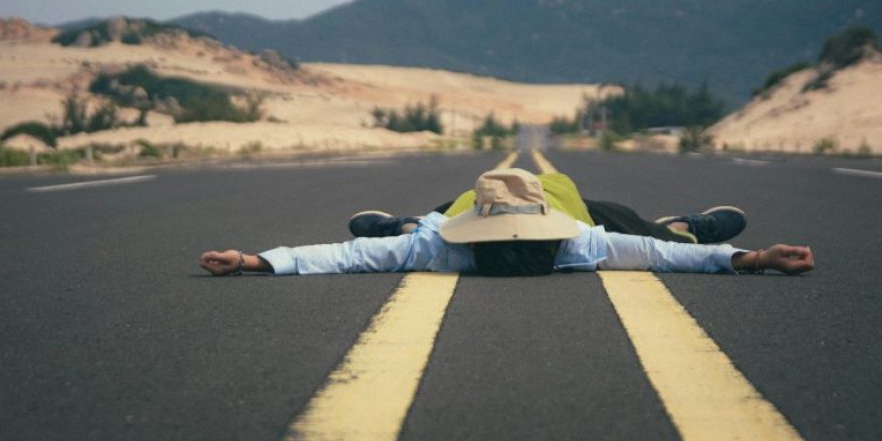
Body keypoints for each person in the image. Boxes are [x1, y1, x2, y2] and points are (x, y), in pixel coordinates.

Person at [199, 168, 815, 278]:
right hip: (463, 205)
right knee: (424, 223)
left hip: (567, 199)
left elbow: (660, 257)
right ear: (477, 240)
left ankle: (685, 223)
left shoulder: (576, 237)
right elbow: (344, 255)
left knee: (647, 232)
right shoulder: (445, 242)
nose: (519, 257)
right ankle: (400, 222)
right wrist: (256, 260)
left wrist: (754, 257)